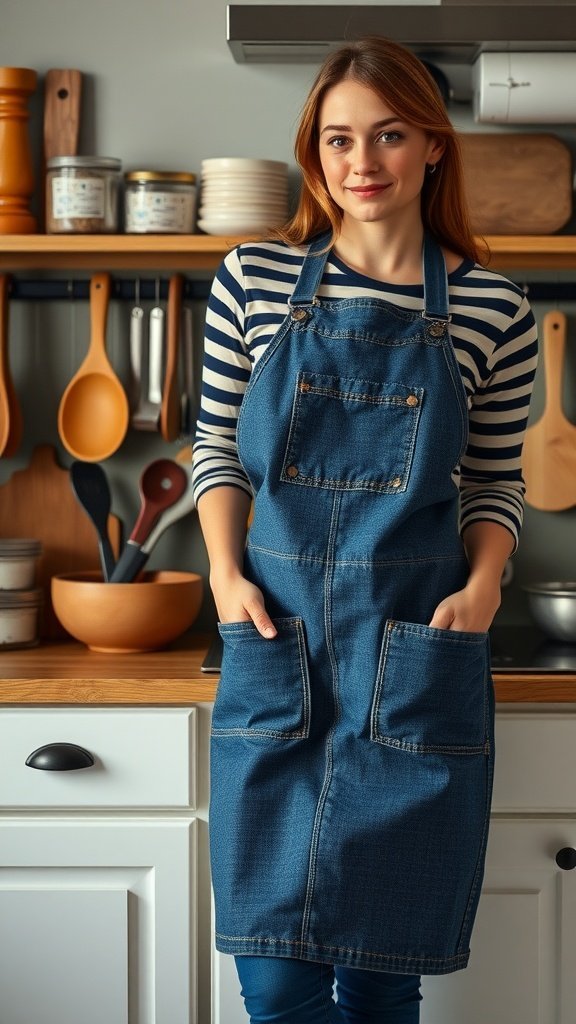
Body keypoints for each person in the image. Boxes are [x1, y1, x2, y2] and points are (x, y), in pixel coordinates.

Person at [192, 36, 538, 1024]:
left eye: (388, 134)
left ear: (434, 145)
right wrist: (224, 573)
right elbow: (216, 447)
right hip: (277, 646)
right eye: (338, 139)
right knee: (277, 984)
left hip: (415, 653)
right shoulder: (255, 280)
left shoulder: (492, 307)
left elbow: (495, 483)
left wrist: (481, 589)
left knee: (386, 976)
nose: (362, 162)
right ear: (314, 155)